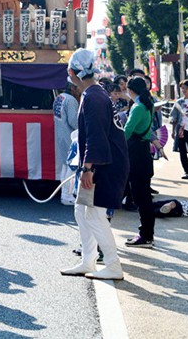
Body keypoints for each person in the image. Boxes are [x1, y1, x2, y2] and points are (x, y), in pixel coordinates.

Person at [61, 49, 129, 281]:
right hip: (105, 162)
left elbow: (96, 137)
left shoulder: (92, 98)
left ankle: (113, 264)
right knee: (82, 211)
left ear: (72, 72)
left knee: (95, 215)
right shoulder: (96, 94)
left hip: (103, 165)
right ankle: (88, 260)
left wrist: (88, 169)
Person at [122, 77, 156, 248]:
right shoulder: (148, 104)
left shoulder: (137, 107)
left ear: (130, 90)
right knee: (144, 196)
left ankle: (145, 235)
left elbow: (127, 132)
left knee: (140, 196)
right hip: (144, 152)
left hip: (135, 153)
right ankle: (146, 233)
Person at [54, 83, 80, 206]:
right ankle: (67, 196)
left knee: (65, 166)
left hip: (60, 135)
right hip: (70, 137)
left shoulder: (60, 97)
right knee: (71, 167)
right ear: (73, 88)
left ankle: (64, 194)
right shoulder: (71, 100)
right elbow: (74, 122)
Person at [170, 80, 188, 180]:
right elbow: (174, 117)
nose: (183, 90)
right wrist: (173, 131)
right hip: (181, 129)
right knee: (182, 151)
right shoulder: (179, 102)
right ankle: (186, 171)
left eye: (185, 88)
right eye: (182, 88)